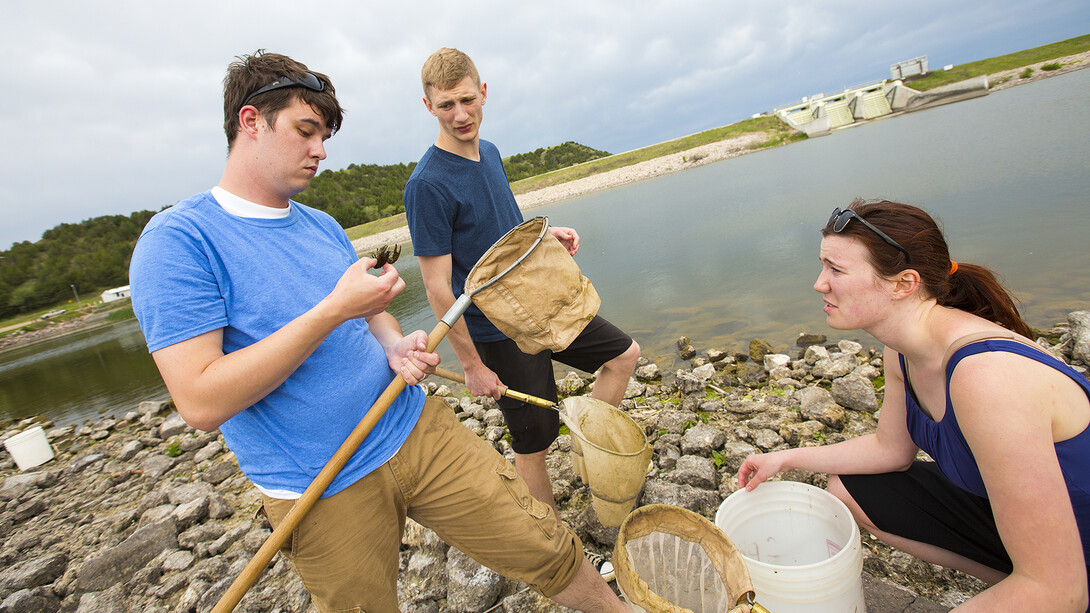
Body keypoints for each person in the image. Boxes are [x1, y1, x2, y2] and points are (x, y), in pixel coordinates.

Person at [129, 50, 630, 613]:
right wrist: (330, 312)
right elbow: (200, 401)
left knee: (545, 545)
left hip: (414, 427)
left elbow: (372, 317)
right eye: (305, 132)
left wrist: (395, 344)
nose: (320, 151)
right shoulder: (177, 242)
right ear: (251, 121)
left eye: (324, 136)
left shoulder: (320, 225)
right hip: (323, 483)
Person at [737, 199, 1089, 611]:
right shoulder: (902, 349)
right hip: (1039, 530)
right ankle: (1019, 581)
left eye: (836, 269)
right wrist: (786, 458)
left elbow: (1059, 588)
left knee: (1052, 589)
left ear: (904, 284)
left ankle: (1030, 588)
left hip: (1071, 566)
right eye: (823, 265)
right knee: (850, 488)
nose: (819, 283)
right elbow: (891, 451)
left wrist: (1048, 589)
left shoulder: (986, 377)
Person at [404, 48, 641, 579]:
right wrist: (470, 364)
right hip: (496, 329)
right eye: (447, 105)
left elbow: (505, 235)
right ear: (428, 106)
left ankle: (587, 455)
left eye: (467, 99)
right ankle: (557, 546)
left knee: (625, 355)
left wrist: (547, 236)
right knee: (533, 442)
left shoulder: (487, 151)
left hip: (541, 302)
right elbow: (440, 289)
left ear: (483, 92)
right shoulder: (426, 185)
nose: (460, 114)